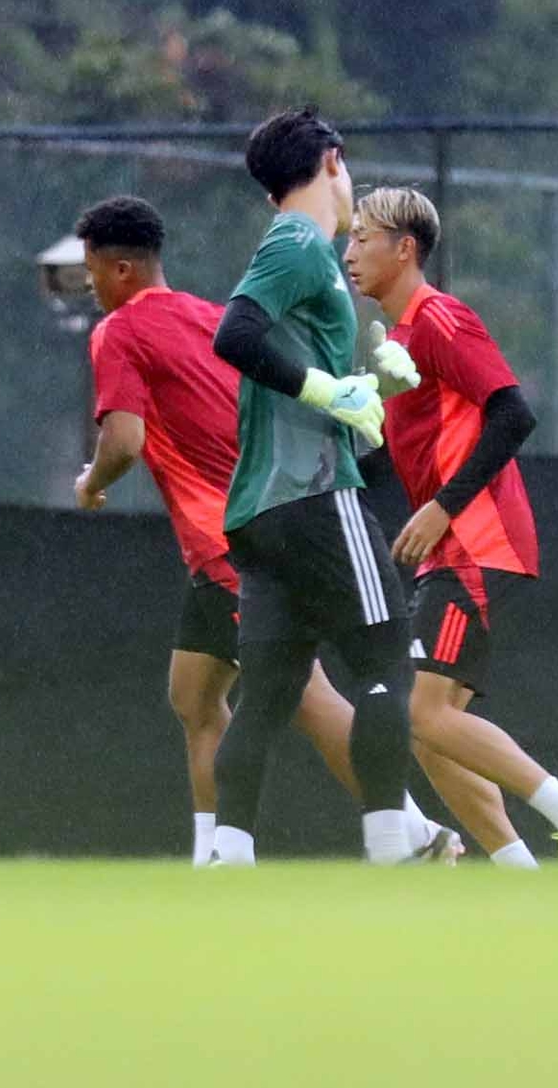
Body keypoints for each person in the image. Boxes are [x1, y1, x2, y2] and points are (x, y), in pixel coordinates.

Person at [69, 195, 436, 863]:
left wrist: (92, 483)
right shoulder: (211, 318)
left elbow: (123, 439)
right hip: (259, 520)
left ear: (120, 269)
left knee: (306, 694)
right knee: (193, 693)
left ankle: (412, 831)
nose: (88, 284)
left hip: (231, 538)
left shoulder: (118, 331)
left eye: (91, 269)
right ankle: (213, 854)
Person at [342, 186, 558, 869]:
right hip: (454, 545)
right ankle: (516, 873)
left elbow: (513, 413)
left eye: (361, 238)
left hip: (477, 540)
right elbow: (397, 446)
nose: (349, 252)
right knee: (431, 729)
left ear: (404, 249)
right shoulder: (401, 340)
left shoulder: (440, 318)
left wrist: (444, 506)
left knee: (421, 712)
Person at [197, 107, 437, 867]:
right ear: (332, 160)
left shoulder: (296, 246)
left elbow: (291, 371)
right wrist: (331, 395)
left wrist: (363, 386)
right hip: (314, 495)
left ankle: (228, 862)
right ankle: (392, 849)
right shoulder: (302, 242)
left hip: (260, 512)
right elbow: (234, 334)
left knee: (266, 696)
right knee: (387, 661)